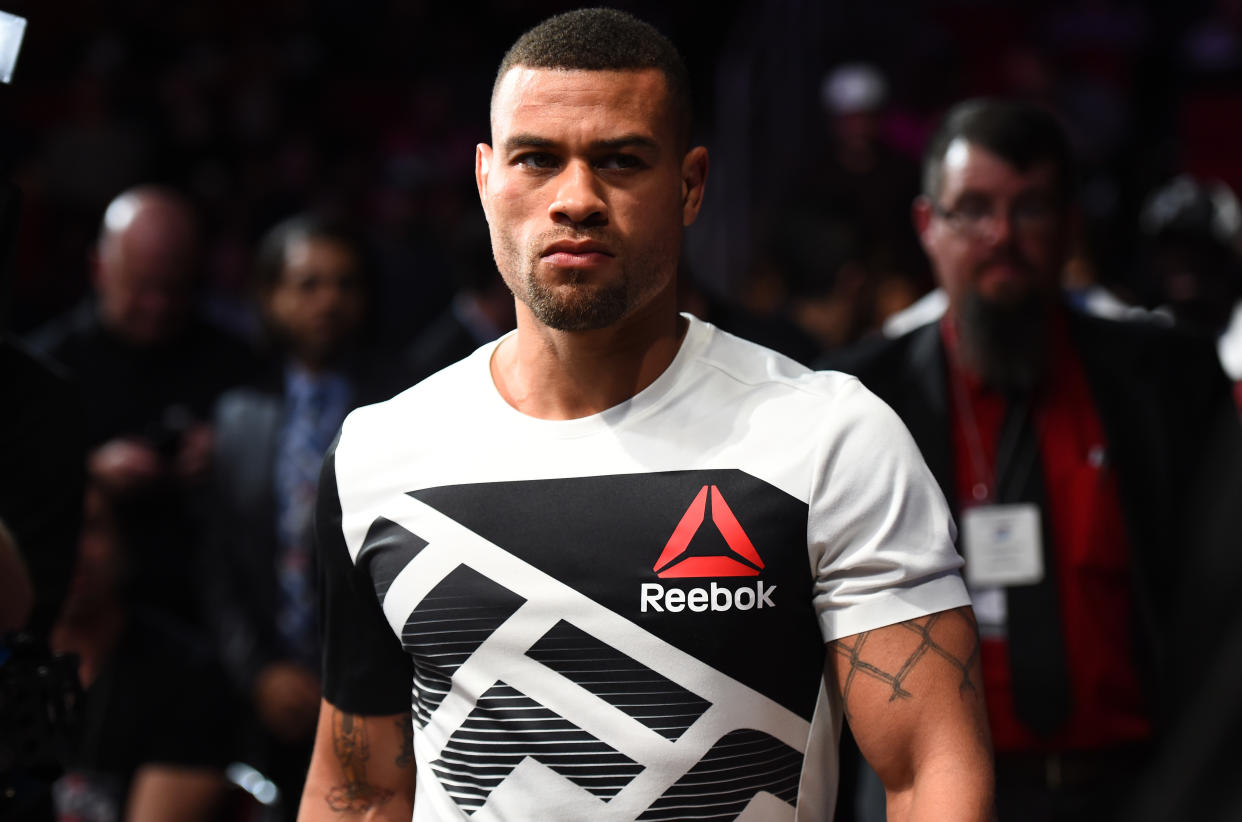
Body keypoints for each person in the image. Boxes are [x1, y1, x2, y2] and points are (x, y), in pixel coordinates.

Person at [302, 9, 993, 822]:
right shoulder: (379, 455)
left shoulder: (829, 438)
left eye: (621, 161)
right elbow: (359, 791)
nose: (577, 200)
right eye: (537, 159)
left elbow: (929, 773)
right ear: (487, 178)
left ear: (691, 185)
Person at [824, 99, 1242, 821]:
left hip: (1139, 792)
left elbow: (1221, 619)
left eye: (1032, 209)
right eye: (974, 210)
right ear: (929, 226)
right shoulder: (858, 400)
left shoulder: (1171, 385)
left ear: (1071, 224)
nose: (1002, 238)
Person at [205, 213, 410, 820]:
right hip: (263, 695)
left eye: (345, 284)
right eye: (308, 283)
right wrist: (259, 672)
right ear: (269, 296)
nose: (329, 300)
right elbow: (217, 562)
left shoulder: (406, 403)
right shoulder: (238, 414)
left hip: (380, 688)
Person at [27, 185, 255, 626]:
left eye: (175, 289)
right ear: (99, 268)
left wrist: (234, 448)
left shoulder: (237, 363)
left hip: (207, 605)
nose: (158, 306)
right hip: (83, 608)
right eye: (142, 288)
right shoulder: (47, 365)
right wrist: (89, 474)